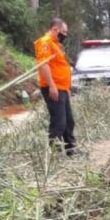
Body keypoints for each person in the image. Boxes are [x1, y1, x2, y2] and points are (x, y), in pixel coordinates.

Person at [34, 18, 76, 155]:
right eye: (63, 32)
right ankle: (56, 154)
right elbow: (43, 65)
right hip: (53, 88)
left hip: (62, 88)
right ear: (55, 29)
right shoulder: (45, 43)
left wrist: (66, 88)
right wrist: (52, 86)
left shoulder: (56, 45)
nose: (65, 35)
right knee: (59, 121)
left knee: (68, 121)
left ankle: (71, 149)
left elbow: (59, 66)